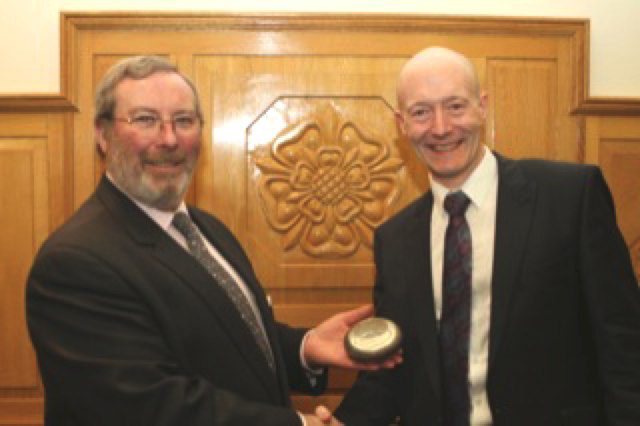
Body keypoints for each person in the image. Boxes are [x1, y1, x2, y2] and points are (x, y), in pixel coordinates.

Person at [26, 55, 399, 426]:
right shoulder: (75, 263)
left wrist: (305, 349)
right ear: (102, 134)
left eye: (184, 121)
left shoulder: (206, 229)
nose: (169, 138)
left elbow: (227, 340)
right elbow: (149, 408)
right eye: (145, 119)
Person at [332, 47, 640, 425]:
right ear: (401, 124)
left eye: (456, 106)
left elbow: (625, 346)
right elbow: (393, 368)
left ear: (482, 107)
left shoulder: (570, 197)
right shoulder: (393, 240)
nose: (441, 127)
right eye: (421, 112)